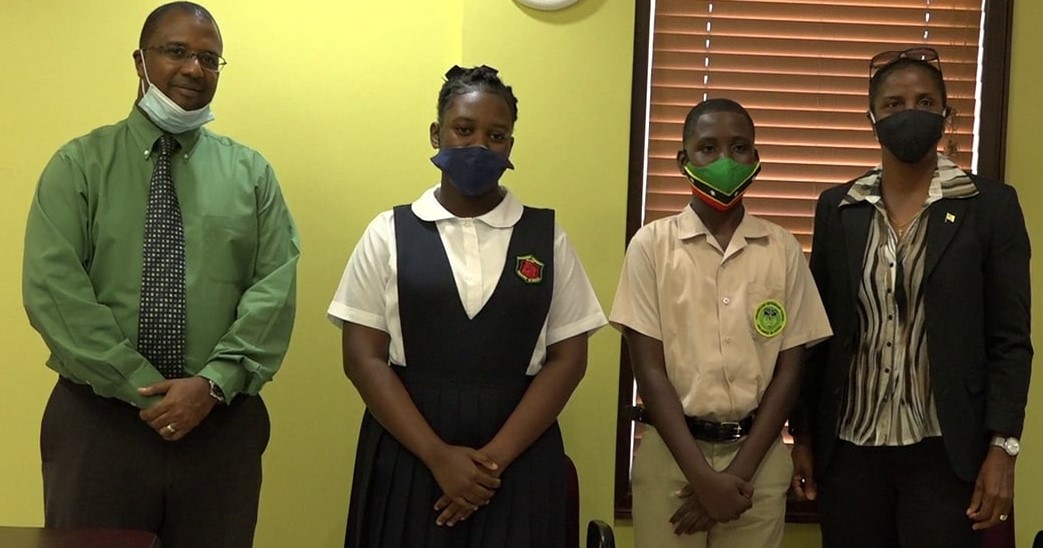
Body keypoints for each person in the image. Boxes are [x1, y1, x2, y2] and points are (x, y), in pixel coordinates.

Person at [22, 3, 299, 547]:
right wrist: (141, 387)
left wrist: (212, 383)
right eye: (176, 51)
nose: (195, 69)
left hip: (220, 424)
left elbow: (275, 286)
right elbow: (55, 291)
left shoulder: (251, 174)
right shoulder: (78, 165)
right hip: (98, 425)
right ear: (140, 61)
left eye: (210, 58)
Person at [327, 65, 606, 548]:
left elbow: (568, 360)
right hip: (410, 452)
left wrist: (490, 464)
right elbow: (362, 357)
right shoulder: (388, 233)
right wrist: (437, 456)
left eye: (496, 135)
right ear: (436, 133)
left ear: (510, 146)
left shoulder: (547, 237)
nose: (479, 145)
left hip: (517, 458)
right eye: (464, 129)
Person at [789, 47, 1032, 548]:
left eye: (925, 101)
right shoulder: (839, 209)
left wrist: (1002, 449)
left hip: (945, 453)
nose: (909, 114)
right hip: (851, 452)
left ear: (948, 114)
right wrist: (804, 436)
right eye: (894, 104)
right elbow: (818, 336)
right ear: (872, 117)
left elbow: (1010, 340)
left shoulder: (990, 207)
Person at [610, 98, 832, 548]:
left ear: (756, 160)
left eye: (739, 148)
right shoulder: (651, 246)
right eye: (708, 148)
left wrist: (736, 475)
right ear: (683, 159)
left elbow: (790, 373)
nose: (725, 161)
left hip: (758, 458)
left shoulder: (782, 249)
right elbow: (648, 371)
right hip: (672, 454)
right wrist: (703, 480)